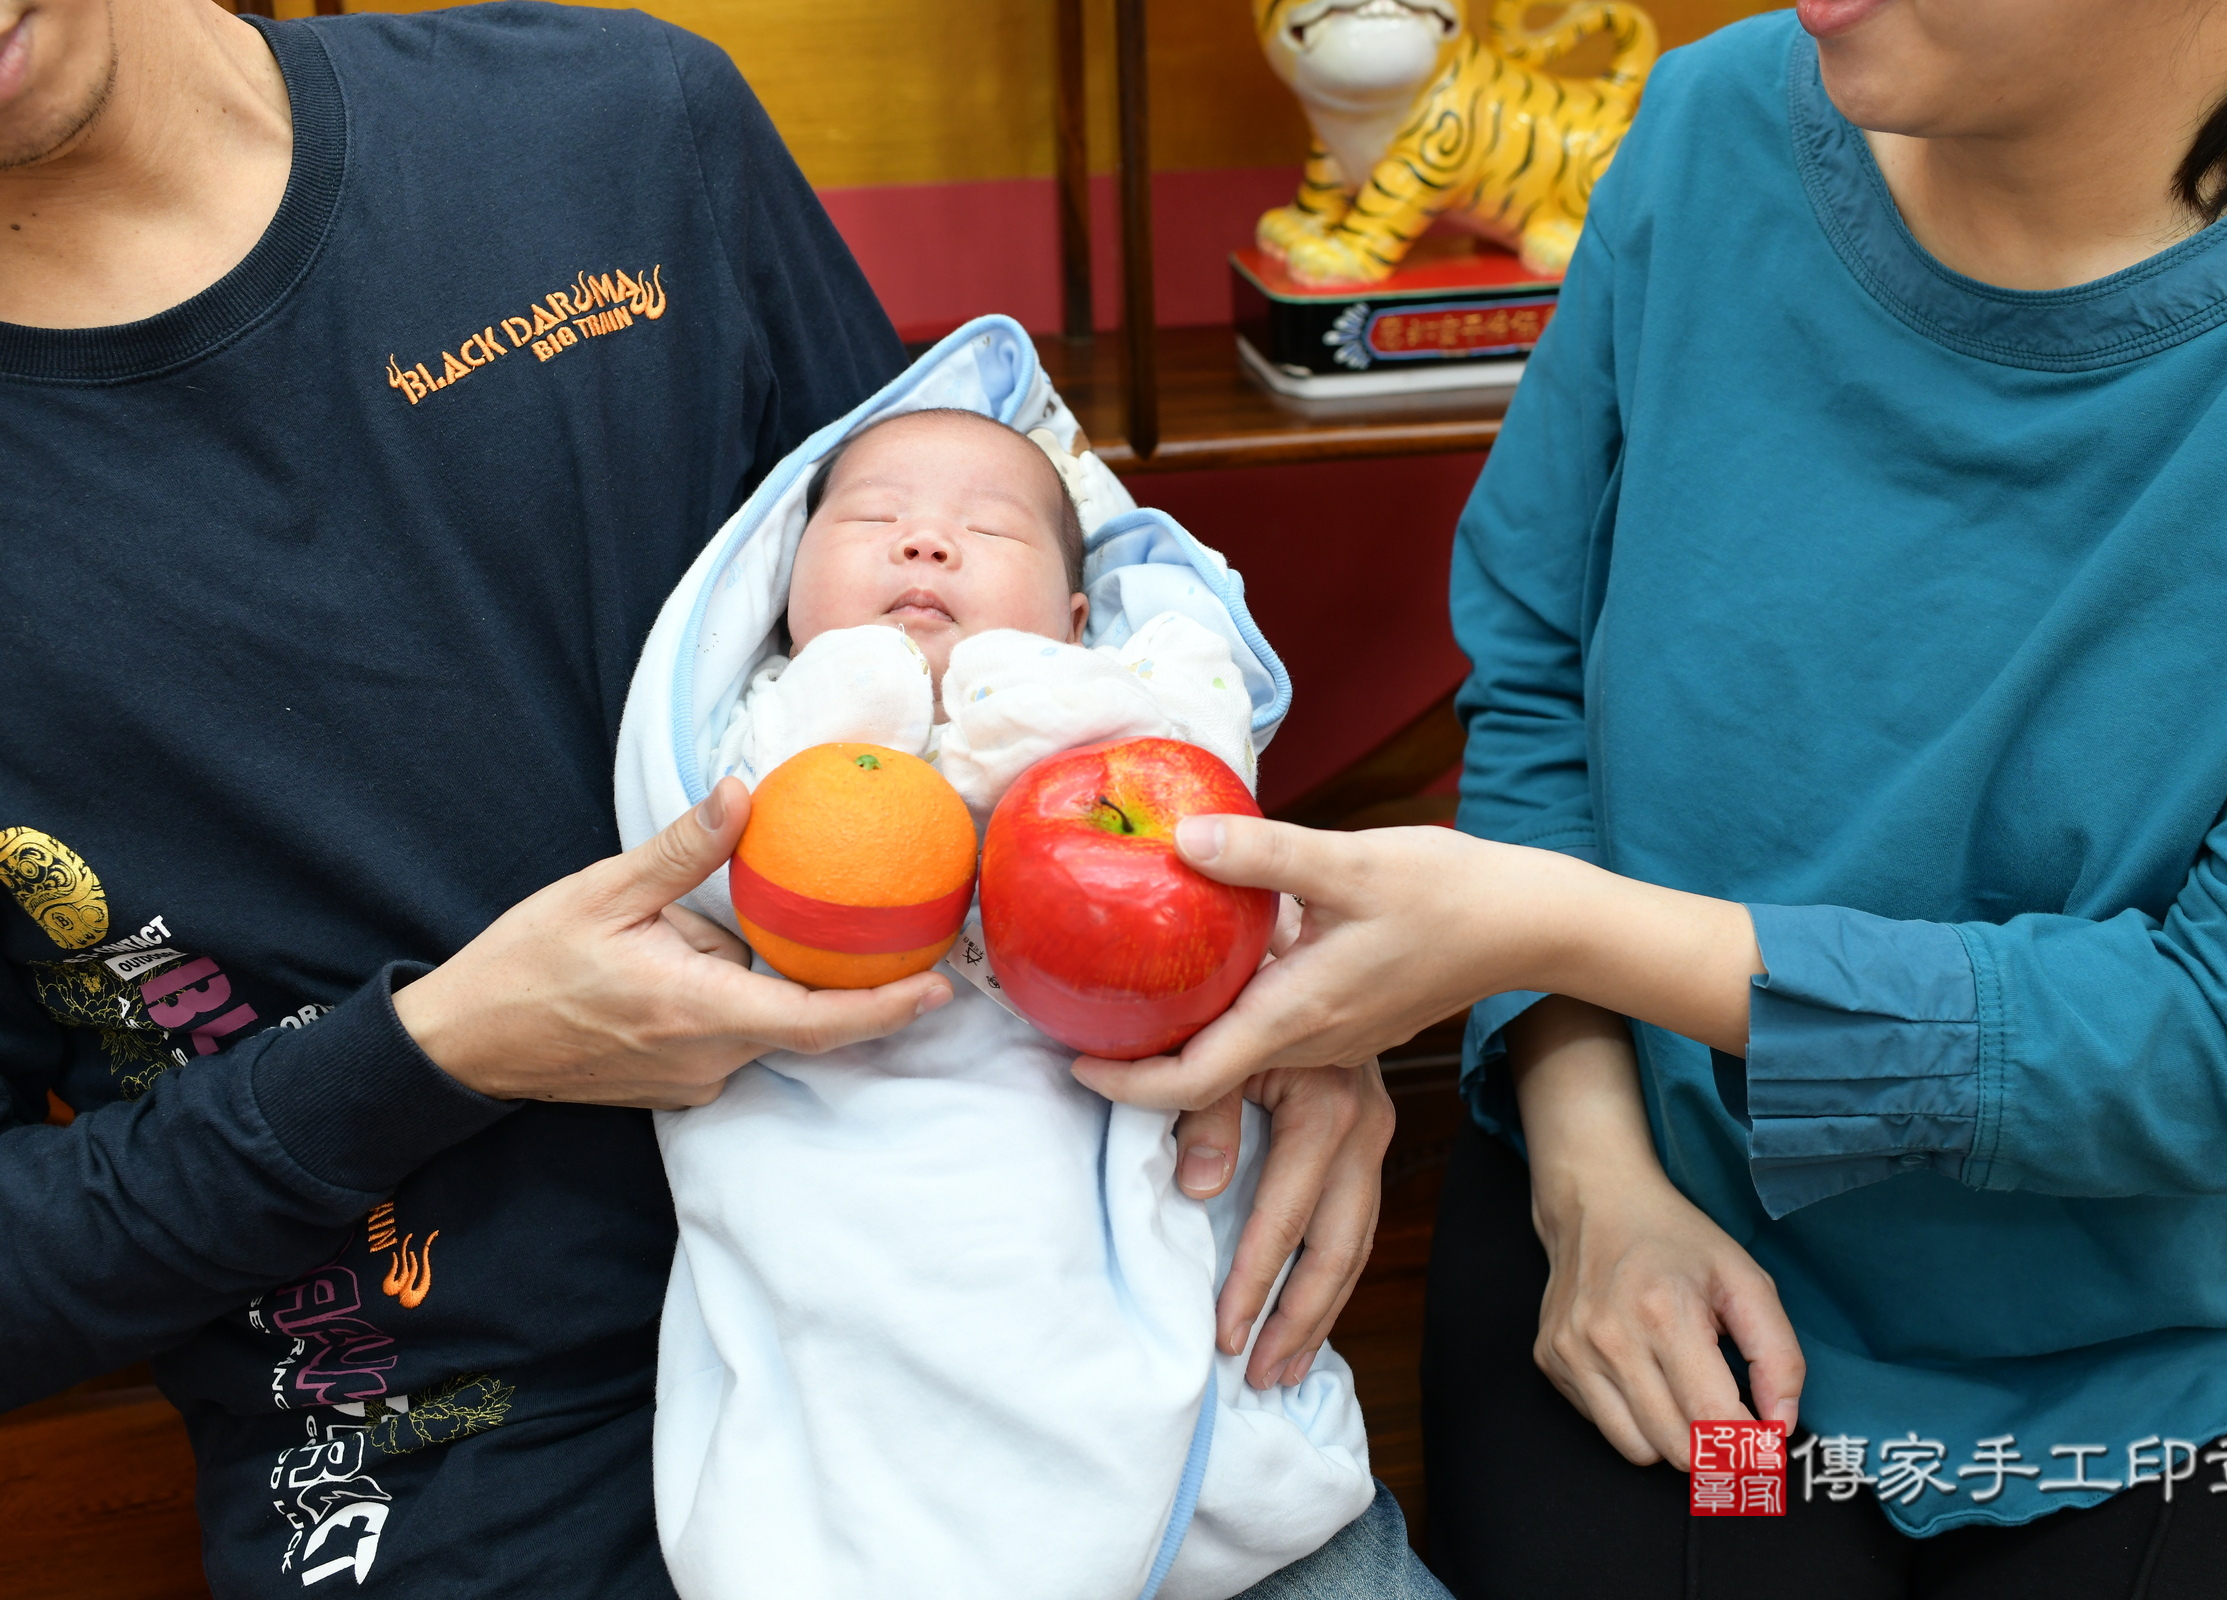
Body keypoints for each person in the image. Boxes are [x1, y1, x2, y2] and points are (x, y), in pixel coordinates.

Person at [0, 4, 1391, 1596]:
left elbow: (1053, 618)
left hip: (1046, 1305)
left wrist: (1267, 975)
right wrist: (429, 1054)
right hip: (468, 1469)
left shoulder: (619, 124)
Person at [1078, 0, 2227, 1594]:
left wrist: (1555, 924)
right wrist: (1591, 1168)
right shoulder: (1708, 127)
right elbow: (1539, 684)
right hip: (1655, 1216)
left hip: (2197, 1344)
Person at [625, 391, 1414, 1599]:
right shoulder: (753, 730)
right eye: (873, 518)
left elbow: (1205, 786)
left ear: (1080, 617)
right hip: (854, 1187)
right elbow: (711, 873)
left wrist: (1034, 704)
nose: (926, 542)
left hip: (1112, 1172)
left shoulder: (1127, 714)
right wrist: (853, 700)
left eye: (987, 530)